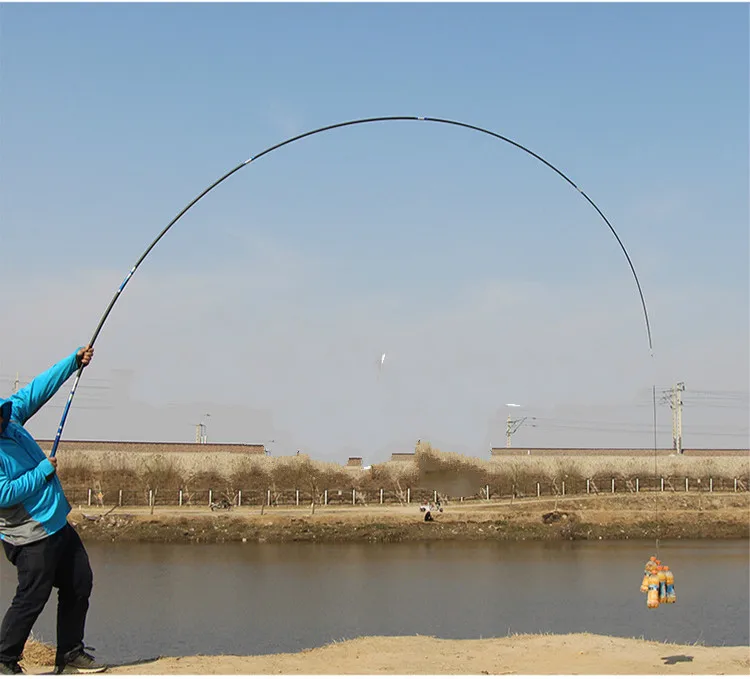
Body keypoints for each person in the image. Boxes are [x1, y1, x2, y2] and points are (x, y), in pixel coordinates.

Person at [0, 346, 106, 675]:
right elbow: (3, 493)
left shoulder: (11, 419)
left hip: (56, 522)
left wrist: (73, 363)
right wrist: (42, 473)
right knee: (33, 595)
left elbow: (38, 389)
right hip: (28, 535)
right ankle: (4, 660)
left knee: (79, 582)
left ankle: (70, 654)